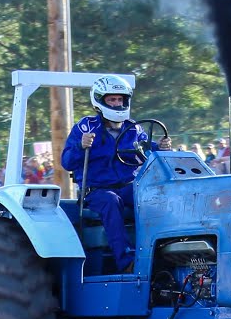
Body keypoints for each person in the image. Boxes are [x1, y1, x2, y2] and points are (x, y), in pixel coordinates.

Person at [60, 75, 170, 272]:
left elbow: (147, 150)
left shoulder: (133, 128)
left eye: (120, 99)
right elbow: (67, 162)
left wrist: (161, 147)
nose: (117, 103)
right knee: (111, 201)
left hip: (128, 187)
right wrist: (80, 145)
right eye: (112, 100)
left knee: (152, 197)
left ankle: (162, 254)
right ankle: (126, 261)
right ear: (100, 101)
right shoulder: (85, 127)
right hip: (96, 191)